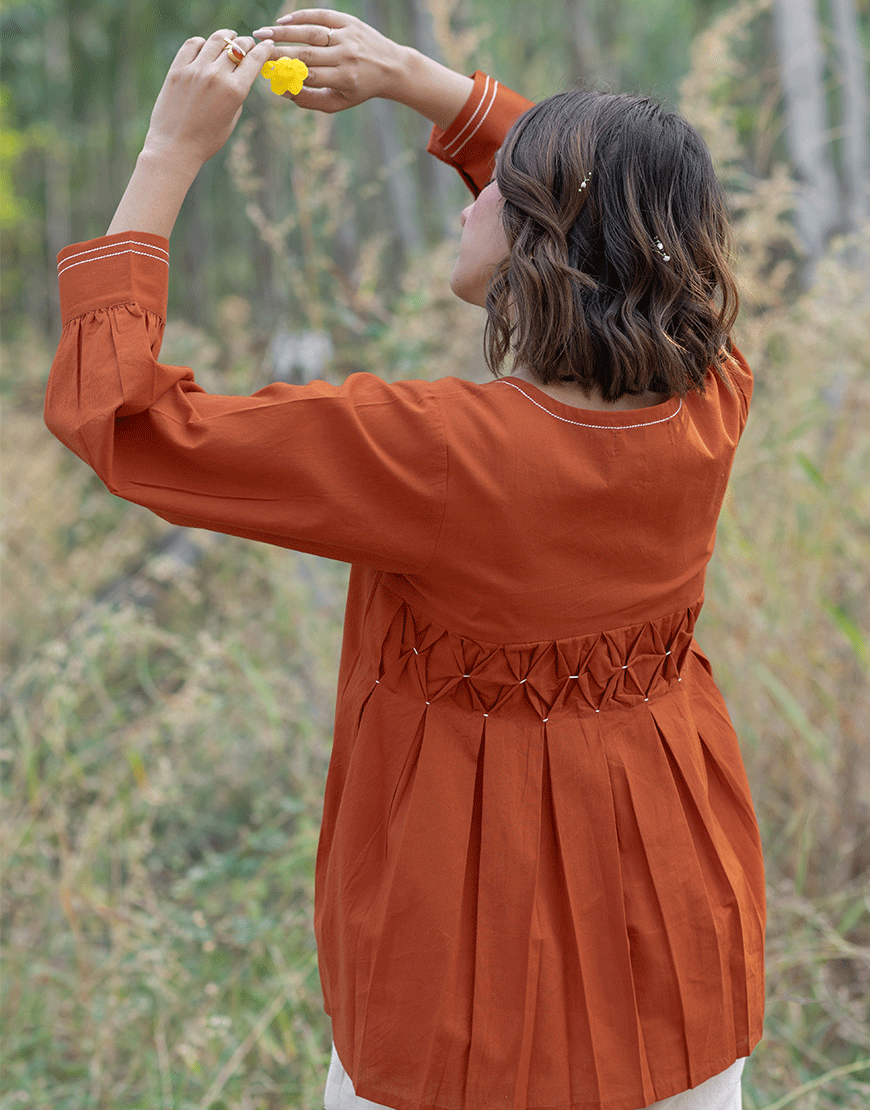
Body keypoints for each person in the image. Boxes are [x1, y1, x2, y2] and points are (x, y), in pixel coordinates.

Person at [45, 10, 765, 1110]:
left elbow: (126, 422)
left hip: (465, 971)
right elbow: (628, 205)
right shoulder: (712, 398)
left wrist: (168, 155)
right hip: (670, 933)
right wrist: (421, 83)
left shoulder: (433, 456)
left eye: (496, 189)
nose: (472, 195)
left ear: (540, 239)